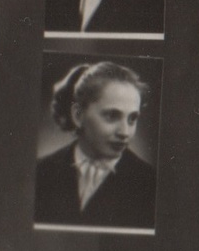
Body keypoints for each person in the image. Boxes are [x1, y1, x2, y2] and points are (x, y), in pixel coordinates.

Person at [34, 61, 157, 231]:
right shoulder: (40, 171)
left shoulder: (149, 183)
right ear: (78, 115)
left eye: (132, 119)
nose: (125, 132)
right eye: (112, 116)